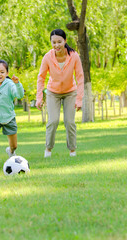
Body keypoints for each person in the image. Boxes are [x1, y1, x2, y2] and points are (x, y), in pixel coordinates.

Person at [36, 29, 84, 158]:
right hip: (53, 92)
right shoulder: (47, 57)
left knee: (69, 121)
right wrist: (39, 97)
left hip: (70, 92)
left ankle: (72, 150)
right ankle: (48, 149)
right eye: (53, 42)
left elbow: (80, 77)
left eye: (59, 42)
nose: (56, 45)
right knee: (53, 120)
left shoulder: (74, 56)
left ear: (65, 41)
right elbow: (41, 78)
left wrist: (79, 99)